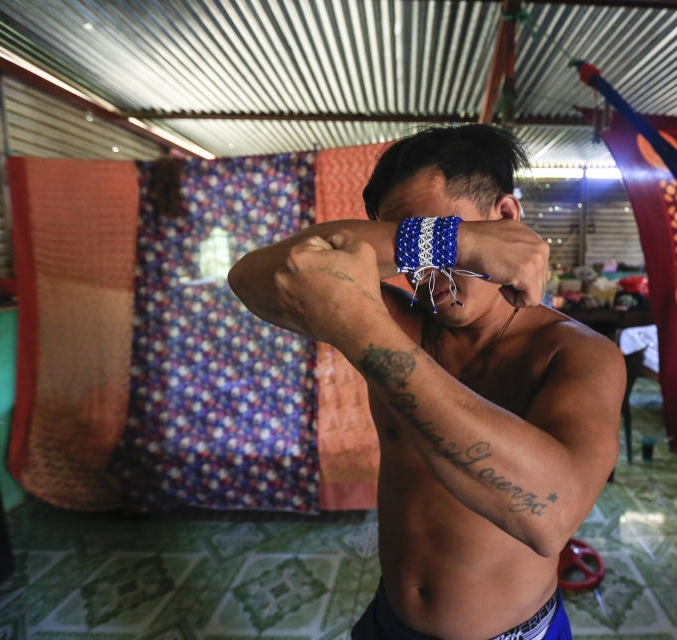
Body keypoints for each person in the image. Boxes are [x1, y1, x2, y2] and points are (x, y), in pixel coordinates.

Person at [228, 125, 625, 640]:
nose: (423, 273)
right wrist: (454, 240)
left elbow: (550, 516)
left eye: (437, 236)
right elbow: (254, 276)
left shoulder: (576, 354)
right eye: (411, 253)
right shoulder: (405, 320)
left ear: (505, 217)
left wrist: (362, 330)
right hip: (389, 618)